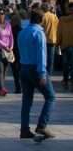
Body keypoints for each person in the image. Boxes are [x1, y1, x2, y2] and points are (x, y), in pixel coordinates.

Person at [18, 8, 56, 140]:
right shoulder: (39, 33)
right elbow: (42, 55)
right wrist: (42, 74)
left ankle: (24, 130)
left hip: (23, 67)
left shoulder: (22, 32)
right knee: (50, 97)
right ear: (42, 20)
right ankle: (42, 125)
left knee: (27, 100)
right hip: (35, 68)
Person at [0, 7, 14, 96]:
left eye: (2, 14)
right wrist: (4, 46)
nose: (0, 15)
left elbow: (11, 36)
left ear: (5, 15)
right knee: (0, 69)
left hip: (8, 50)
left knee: (5, 70)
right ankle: (2, 88)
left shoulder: (8, 24)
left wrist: (11, 47)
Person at [40, 2, 59, 75]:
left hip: (44, 40)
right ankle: (49, 75)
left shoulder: (43, 16)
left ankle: (44, 73)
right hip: (53, 39)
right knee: (51, 59)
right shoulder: (54, 16)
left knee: (44, 58)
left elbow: (40, 27)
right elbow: (58, 26)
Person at [57, 8, 73, 90]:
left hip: (65, 45)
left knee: (66, 64)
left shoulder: (62, 20)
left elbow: (59, 32)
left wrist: (58, 43)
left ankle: (66, 80)